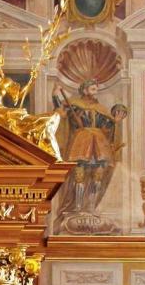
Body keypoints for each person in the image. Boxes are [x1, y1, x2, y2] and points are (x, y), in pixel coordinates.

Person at [52, 80, 127, 214]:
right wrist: (55, 95)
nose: (95, 92)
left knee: (98, 174)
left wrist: (114, 122)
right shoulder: (74, 104)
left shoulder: (101, 108)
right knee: (79, 174)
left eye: (96, 89)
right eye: (93, 89)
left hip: (99, 143)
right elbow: (61, 112)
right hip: (81, 141)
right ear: (85, 90)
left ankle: (91, 207)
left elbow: (106, 129)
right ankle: (78, 207)